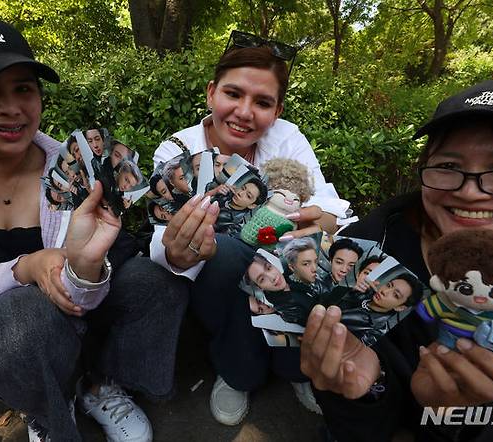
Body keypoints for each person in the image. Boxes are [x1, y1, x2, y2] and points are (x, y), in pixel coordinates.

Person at [0, 13, 188, 442]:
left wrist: (83, 268)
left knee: (156, 281)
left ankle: (100, 385)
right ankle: (49, 413)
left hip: (80, 296)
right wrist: (24, 268)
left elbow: (84, 282)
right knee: (23, 322)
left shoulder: (72, 165)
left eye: (23, 88)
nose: (12, 107)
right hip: (8, 322)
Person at [300, 78, 493, 442]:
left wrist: (457, 419)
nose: (470, 191)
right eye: (449, 165)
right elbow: (353, 406)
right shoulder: (365, 251)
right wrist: (369, 388)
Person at [149, 31, 350, 425]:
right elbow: (164, 243)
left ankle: (296, 366)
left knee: (291, 255)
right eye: (233, 94)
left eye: (262, 102)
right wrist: (180, 250)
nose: (244, 112)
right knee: (230, 253)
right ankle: (240, 372)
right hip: (217, 278)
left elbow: (328, 203)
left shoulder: (286, 136)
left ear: (276, 111)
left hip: (288, 262)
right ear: (211, 93)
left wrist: (315, 224)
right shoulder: (177, 151)